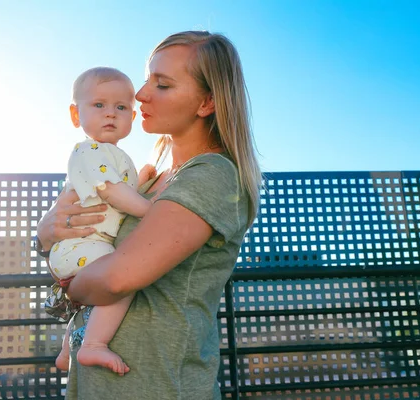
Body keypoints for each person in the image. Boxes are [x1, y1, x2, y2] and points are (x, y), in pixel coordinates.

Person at [36, 30, 262, 400]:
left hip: (157, 386)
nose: (140, 94)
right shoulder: (152, 179)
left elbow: (114, 280)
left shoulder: (212, 175)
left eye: (163, 84)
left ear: (206, 103)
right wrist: (45, 236)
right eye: (146, 79)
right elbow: (90, 244)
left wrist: (68, 288)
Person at [45, 66, 156, 376]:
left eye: (121, 107)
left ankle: (68, 349)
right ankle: (93, 345)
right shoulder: (88, 151)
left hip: (84, 247)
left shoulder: (109, 154)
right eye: (99, 105)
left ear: (132, 118)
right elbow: (112, 191)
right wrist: (150, 210)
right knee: (124, 279)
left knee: (92, 302)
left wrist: (142, 180)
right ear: (75, 115)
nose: (111, 114)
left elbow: (122, 188)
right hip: (84, 246)